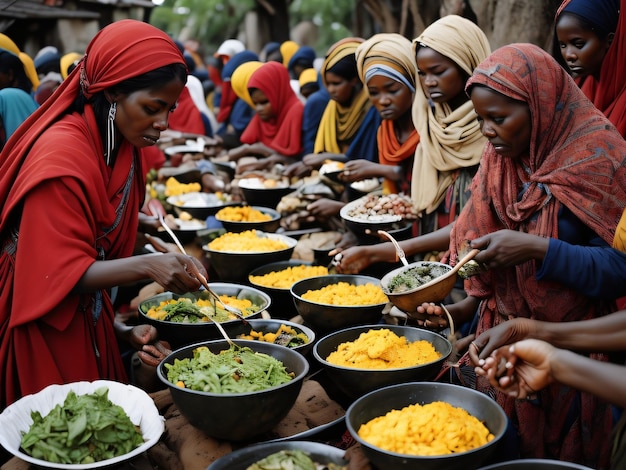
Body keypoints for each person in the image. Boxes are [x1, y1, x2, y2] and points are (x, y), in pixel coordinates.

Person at [416, 43, 626, 467]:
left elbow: (619, 271)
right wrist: (460, 310)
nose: (488, 132)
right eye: (480, 119)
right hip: (505, 340)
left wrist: (536, 247)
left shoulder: (600, 157)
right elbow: (478, 250)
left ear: (541, 106)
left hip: (583, 348)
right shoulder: (499, 161)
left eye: (499, 118)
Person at [0, 19, 209, 409]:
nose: (163, 124)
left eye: (170, 109)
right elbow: (56, 271)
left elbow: (100, 230)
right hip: (45, 319)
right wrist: (150, 265)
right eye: (153, 108)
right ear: (112, 91)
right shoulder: (61, 156)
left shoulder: (122, 142)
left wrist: (144, 236)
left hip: (89, 311)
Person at [332, 16, 490, 271]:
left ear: (467, 64)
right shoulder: (431, 124)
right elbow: (418, 206)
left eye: (438, 72)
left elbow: (474, 220)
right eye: (422, 74)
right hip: (429, 261)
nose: (428, 83)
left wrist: (381, 252)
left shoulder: (492, 129)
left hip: (473, 266)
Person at [349, 32, 419, 196]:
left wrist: (385, 170)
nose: (383, 101)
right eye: (374, 93)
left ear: (413, 84)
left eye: (393, 90)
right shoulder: (385, 132)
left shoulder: (433, 129)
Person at [554, 0, 625, 136]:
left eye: (579, 44)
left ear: (609, 41)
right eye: (563, 45)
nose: (569, 55)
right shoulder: (575, 92)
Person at [227, 61, 304, 173]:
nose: (259, 109)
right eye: (255, 104)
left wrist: (261, 153)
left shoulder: (295, 111)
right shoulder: (266, 116)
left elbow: (300, 158)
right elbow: (248, 142)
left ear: (277, 93)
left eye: (264, 102)